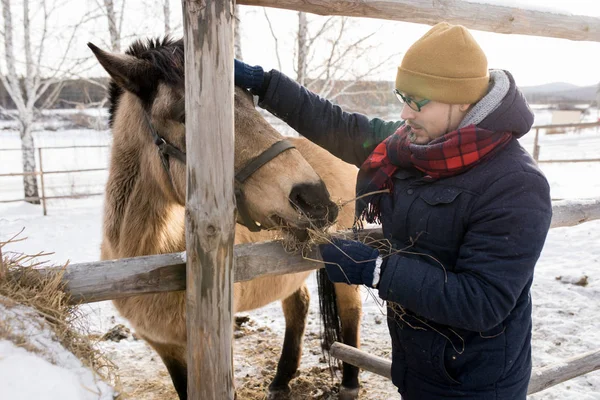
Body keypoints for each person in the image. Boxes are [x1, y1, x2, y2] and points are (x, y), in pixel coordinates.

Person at [235, 22, 552, 400]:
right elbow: (339, 125)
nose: (404, 112)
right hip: (417, 364)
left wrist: (376, 268)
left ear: (462, 101)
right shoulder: (415, 148)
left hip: (474, 382)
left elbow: (484, 302)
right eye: (402, 96)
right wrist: (265, 83)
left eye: (417, 101)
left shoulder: (515, 184)